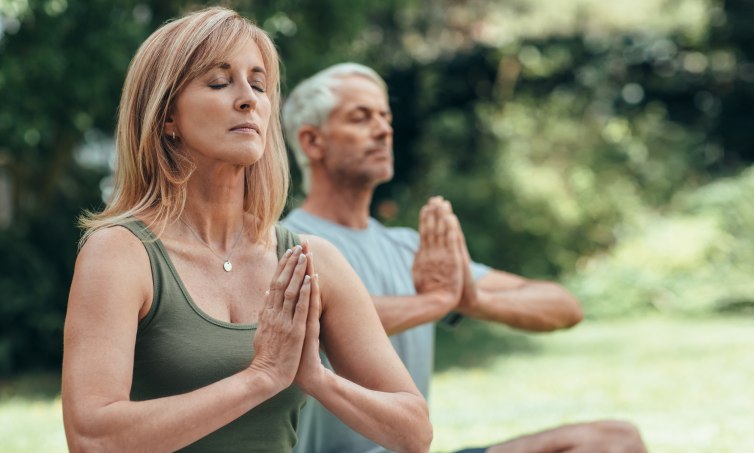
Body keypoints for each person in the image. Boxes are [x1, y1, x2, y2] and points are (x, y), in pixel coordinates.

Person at [61, 11, 432, 453]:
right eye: (219, 83)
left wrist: (314, 377)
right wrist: (262, 377)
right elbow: (93, 439)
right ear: (166, 117)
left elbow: (413, 432)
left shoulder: (310, 260)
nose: (248, 99)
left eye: (258, 84)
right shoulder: (121, 253)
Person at [281, 62, 648, 453]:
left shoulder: (412, 249)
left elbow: (564, 306)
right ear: (312, 142)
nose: (384, 129)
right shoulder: (288, 243)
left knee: (614, 441)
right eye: (361, 117)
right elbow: (323, 318)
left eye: (386, 116)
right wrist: (432, 302)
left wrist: (471, 299)